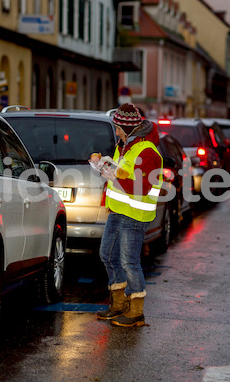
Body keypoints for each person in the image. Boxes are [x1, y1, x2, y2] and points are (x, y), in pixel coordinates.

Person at [89, 103, 163, 327]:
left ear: (129, 128)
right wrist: (104, 166)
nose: (116, 132)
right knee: (107, 255)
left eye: (119, 128)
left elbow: (141, 187)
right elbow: (122, 175)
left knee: (129, 262)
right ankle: (119, 304)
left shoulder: (148, 152)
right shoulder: (125, 147)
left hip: (134, 214)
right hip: (118, 212)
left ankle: (136, 311)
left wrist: (111, 175)